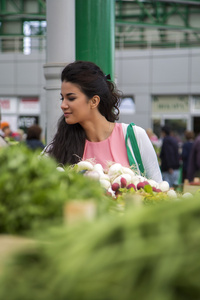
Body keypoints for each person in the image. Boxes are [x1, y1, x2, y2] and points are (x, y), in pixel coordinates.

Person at [44, 60, 162, 183]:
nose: (63, 105)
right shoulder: (58, 146)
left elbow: (159, 189)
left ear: (94, 101)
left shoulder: (134, 136)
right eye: (62, 98)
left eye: (71, 98)